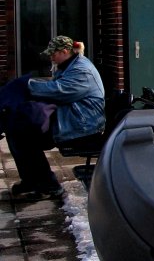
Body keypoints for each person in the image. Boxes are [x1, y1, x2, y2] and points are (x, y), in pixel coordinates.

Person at [1, 35, 105, 199]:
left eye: (53, 54)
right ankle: (32, 180)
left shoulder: (82, 70)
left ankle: (48, 185)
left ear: (64, 51)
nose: (51, 57)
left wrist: (26, 85)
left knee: (26, 135)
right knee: (16, 130)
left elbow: (58, 91)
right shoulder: (69, 65)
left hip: (82, 124)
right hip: (73, 117)